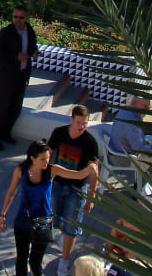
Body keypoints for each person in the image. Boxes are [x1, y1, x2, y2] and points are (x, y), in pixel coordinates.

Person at [0, 139, 100, 276]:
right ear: (32, 158)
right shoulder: (20, 171)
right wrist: (3, 214)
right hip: (23, 220)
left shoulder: (52, 170)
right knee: (22, 259)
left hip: (43, 221)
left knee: (35, 261)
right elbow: (11, 192)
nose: (47, 161)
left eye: (48, 158)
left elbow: (77, 175)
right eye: (42, 159)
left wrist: (89, 169)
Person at [48, 105, 100, 276]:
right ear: (71, 119)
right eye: (78, 123)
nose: (81, 127)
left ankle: (64, 261)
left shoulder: (90, 143)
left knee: (72, 225)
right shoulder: (59, 133)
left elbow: (94, 170)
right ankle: (65, 236)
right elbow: (48, 153)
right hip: (57, 185)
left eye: (84, 124)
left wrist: (92, 194)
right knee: (57, 218)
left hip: (76, 190)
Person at [0, 5, 39, 151]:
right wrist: (15, 57)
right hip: (7, 77)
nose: (17, 20)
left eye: (21, 17)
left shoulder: (29, 31)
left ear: (26, 18)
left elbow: (32, 46)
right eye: (15, 17)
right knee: (2, 108)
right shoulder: (6, 32)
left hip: (22, 75)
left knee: (15, 108)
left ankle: (6, 134)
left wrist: (35, 52)